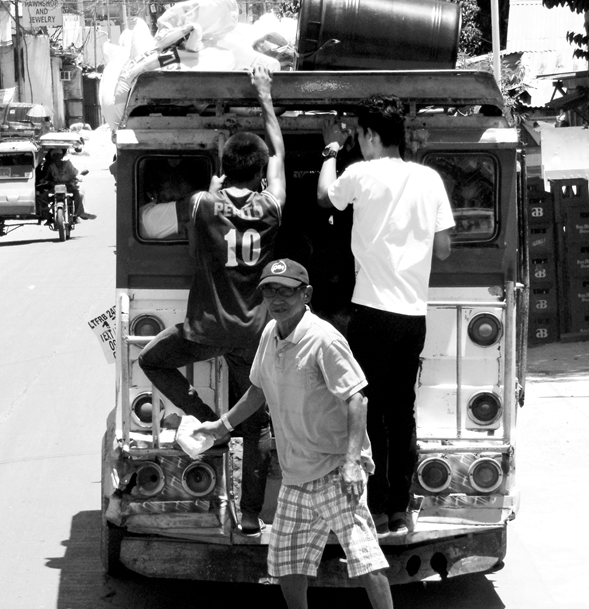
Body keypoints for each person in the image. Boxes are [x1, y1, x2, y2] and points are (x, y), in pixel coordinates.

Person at [137, 65, 286, 536]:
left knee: (151, 360)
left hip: (203, 329)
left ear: (223, 170)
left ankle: (203, 420)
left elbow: (192, 203)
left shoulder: (204, 204)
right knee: (256, 423)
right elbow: (280, 153)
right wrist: (265, 96)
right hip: (252, 334)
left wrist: (218, 185)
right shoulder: (271, 208)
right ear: (260, 173)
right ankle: (248, 517)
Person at [196, 259, 393, 609]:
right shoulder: (271, 334)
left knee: (365, 561)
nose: (277, 298)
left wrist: (351, 462)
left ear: (306, 294)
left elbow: (357, 397)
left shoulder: (323, 340)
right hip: (297, 474)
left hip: (336, 471)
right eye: (270, 290)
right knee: (287, 562)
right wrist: (222, 425)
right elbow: (257, 389)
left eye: (286, 291)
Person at [316, 95, 455, 535]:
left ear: (372, 136)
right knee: (402, 412)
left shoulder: (358, 172)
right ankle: (400, 508)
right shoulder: (429, 179)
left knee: (368, 409)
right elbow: (446, 247)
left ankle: (374, 509)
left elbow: (324, 198)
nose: (358, 144)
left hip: (371, 313)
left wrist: (331, 150)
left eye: (359, 136)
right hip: (413, 316)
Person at [36, 147, 96, 220]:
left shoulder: (68, 164)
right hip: (55, 187)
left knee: (79, 194)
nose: (56, 156)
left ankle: (80, 212)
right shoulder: (50, 166)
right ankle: (46, 215)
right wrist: (42, 180)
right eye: (54, 155)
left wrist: (78, 177)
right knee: (42, 196)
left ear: (62, 155)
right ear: (51, 157)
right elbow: (45, 176)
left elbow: (75, 173)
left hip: (68, 185)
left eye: (58, 154)